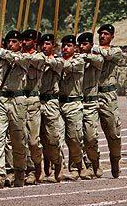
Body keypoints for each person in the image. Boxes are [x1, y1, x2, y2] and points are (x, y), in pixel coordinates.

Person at [0, 30, 30, 189]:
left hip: (18, 100)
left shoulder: (24, 57)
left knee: (18, 140)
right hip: (1, 100)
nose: (10, 45)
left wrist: (5, 54)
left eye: (14, 42)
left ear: (20, 44)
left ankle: (18, 171)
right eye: (8, 42)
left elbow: (21, 61)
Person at [92, 24, 122, 178]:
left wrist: (93, 48)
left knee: (113, 132)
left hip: (108, 96)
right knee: (89, 134)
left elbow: (108, 55)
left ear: (112, 36)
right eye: (100, 34)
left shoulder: (116, 51)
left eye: (106, 34)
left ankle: (115, 160)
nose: (102, 36)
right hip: (91, 94)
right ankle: (94, 164)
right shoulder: (91, 51)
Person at [58, 34, 86, 180]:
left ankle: (77, 165)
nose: (65, 49)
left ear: (75, 48)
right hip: (59, 103)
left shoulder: (79, 60)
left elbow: (67, 67)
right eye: (63, 46)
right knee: (57, 138)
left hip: (74, 103)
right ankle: (60, 168)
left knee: (74, 138)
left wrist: (53, 62)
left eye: (68, 46)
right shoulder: (58, 60)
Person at [77, 32, 104, 179]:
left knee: (91, 137)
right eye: (80, 44)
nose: (82, 47)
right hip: (75, 102)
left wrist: (85, 57)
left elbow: (98, 60)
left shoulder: (96, 59)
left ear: (91, 45)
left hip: (91, 103)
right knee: (76, 137)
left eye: (85, 44)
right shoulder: (76, 60)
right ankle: (81, 166)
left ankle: (95, 162)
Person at [21, 29, 45, 185]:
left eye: (27, 40)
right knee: (19, 138)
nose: (24, 42)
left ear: (34, 42)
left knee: (33, 141)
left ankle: (38, 165)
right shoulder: (18, 56)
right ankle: (28, 170)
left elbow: (32, 60)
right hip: (19, 99)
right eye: (22, 40)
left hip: (33, 100)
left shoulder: (39, 57)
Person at [38, 34, 64, 182]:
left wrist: (46, 60)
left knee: (52, 137)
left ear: (53, 46)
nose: (44, 47)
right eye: (42, 44)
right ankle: (39, 168)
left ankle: (57, 162)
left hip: (51, 102)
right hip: (36, 100)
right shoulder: (36, 58)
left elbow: (56, 65)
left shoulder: (58, 61)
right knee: (35, 138)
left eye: (47, 44)